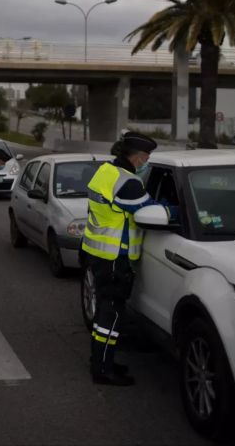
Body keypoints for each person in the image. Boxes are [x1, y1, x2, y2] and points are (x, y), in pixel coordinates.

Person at [83, 131, 174, 386]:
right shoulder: (128, 182)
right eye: (146, 156)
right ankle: (102, 370)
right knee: (110, 315)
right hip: (114, 256)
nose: (147, 160)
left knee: (104, 311)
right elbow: (150, 209)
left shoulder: (105, 172)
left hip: (99, 252)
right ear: (137, 157)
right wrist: (180, 210)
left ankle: (102, 361)